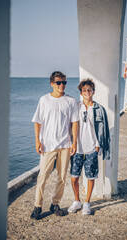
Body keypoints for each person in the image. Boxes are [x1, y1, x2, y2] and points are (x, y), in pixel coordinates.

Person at [30, 71, 79, 220]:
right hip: (47, 144)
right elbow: (38, 122)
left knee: (62, 177)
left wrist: (74, 142)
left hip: (65, 144)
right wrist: (37, 141)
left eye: (64, 82)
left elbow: (74, 123)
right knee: (43, 176)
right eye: (58, 82)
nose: (62, 85)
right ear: (52, 84)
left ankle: (55, 204)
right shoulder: (44, 100)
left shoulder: (70, 101)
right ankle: (38, 206)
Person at [68, 78, 110, 215]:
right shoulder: (76, 107)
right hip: (77, 148)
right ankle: (77, 201)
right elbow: (69, 126)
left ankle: (87, 203)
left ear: (93, 91)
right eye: (84, 90)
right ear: (81, 92)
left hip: (92, 148)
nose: (87, 92)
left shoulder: (99, 109)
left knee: (90, 177)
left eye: (90, 90)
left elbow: (105, 129)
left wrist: (99, 146)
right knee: (74, 177)